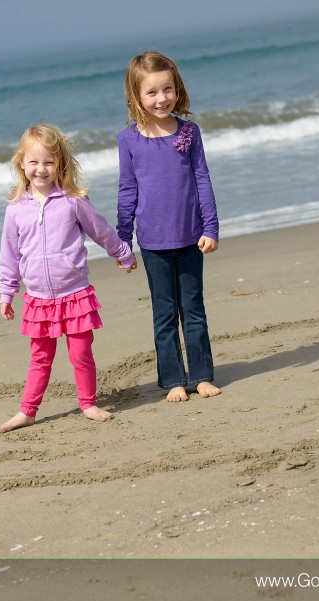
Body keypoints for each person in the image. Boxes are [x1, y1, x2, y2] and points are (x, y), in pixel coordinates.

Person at [0, 124, 136, 432]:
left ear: (60, 164)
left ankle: (88, 403)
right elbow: (9, 255)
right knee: (40, 358)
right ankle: (28, 411)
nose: (41, 169)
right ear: (21, 163)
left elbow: (100, 230)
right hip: (39, 299)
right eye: (34, 162)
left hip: (74, 294)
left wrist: (122, 253)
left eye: (48, 161)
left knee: (81, 354)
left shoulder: (72, 200)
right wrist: (7, 293)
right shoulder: (16, 209)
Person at [116, 50, 222, 403]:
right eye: (152, 92)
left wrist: (211, 227)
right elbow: (127, 190)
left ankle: (203, 375)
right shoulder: (129, 139)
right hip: (153, 242)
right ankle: (174, 380)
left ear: (177, 89)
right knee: (164, 314)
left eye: (168, 90)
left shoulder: (189, 132)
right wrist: (122, 240)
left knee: (194, 308)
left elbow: (202, 179)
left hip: (192, 236)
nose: (162, 98)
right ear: (136, 96)